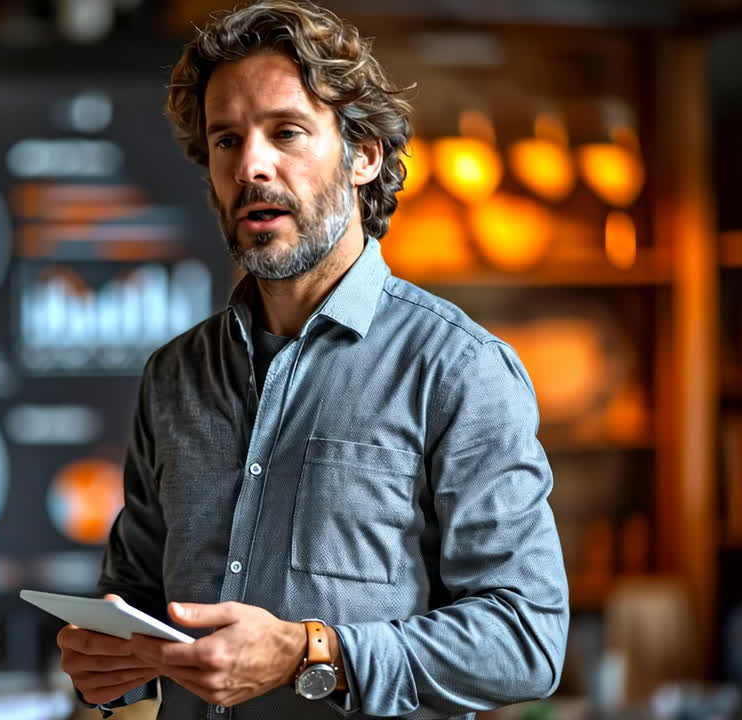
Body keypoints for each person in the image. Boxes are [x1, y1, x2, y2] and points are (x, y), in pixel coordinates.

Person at [55, 1, 570, 718]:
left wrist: (310, 651)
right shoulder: (173, 377)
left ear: (363, 156)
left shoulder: (458, 370)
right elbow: (140, 597)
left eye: (286, 132)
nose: (252, 165)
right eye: (226, 141)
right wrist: (108, 658)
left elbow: (527, 640)